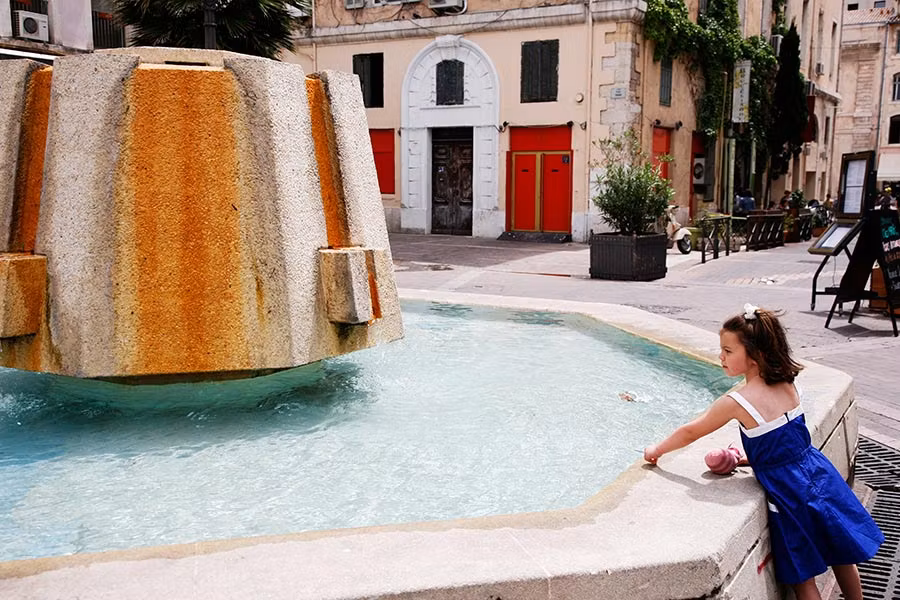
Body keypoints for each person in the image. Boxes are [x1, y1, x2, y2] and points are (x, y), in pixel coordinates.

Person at [643, 305, 884, 600]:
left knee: (803, 576)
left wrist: (657, 449)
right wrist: (751, 457)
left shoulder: (737, 402)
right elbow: (784, 440)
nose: (721, 357)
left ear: (754, 355)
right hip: (819, 475)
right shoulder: (787, 382)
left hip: (789, 493)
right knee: (842, 555)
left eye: (728, 351)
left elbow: (692, 431)